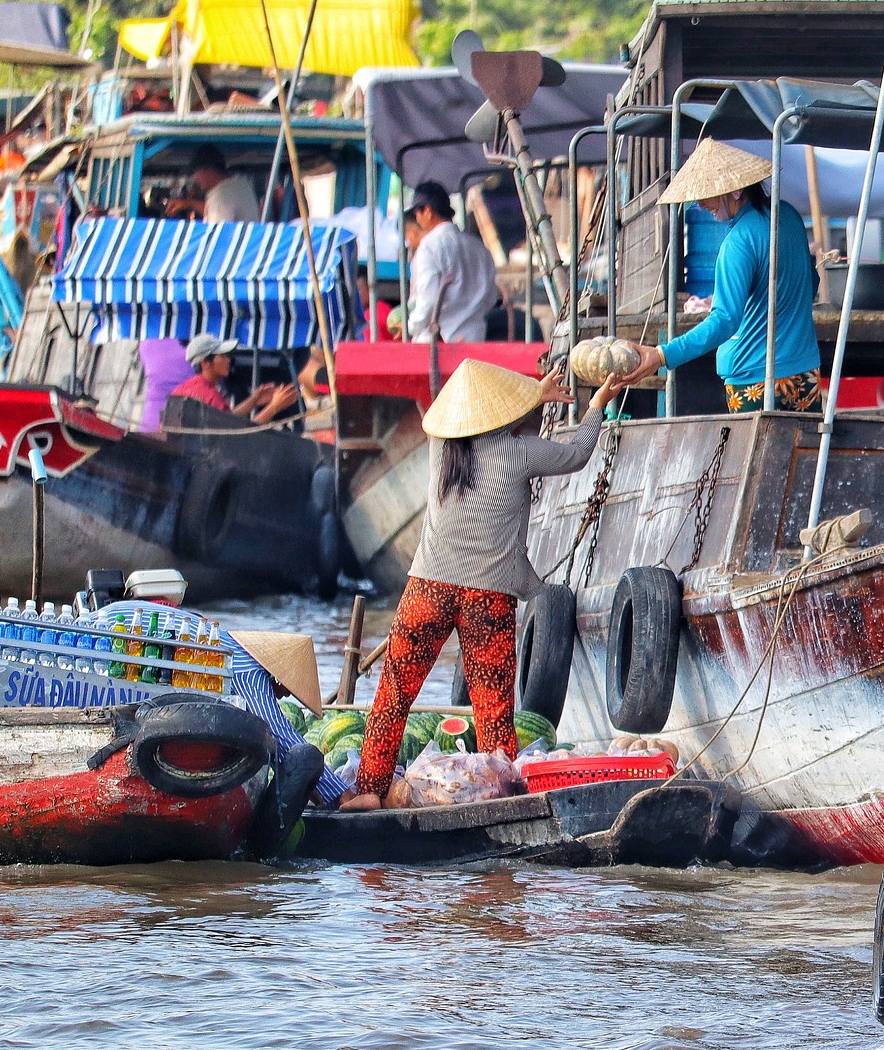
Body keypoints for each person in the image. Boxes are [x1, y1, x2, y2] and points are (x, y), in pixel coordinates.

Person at [342, 359, 623, 810]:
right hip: (487, 596)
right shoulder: (521, 453)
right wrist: (596, 406)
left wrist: (535, 394)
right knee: (492, 708)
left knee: (393, 692)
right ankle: (499, 797)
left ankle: (370, 791)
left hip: (427, 588)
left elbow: (481, 422)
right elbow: (577, 454)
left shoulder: (439, 446)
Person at [94, 570, 332, 831]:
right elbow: (285, 739)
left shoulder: (190, 628)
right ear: (276, 674)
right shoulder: (246, 667)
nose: (285, 695)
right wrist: (339, 795)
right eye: (288, 688)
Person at [621, 140, 821, 413]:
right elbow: (811, 284)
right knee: (803, 455)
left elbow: (725, 321)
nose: (701, 204)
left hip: (756, 383)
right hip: (805, 376)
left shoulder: (737, 243)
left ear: (736, 190)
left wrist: (662, 355)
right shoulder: (789, 216)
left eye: (707, 194)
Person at [404, 181, 498, 344]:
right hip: (475, 339)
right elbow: (491, 298)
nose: (417, 219)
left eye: (417, 213)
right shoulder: (478, 247)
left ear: (427, 211)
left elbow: (428, 299)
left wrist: (411, 326)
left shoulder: (429, 247)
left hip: (438, 347)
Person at [168, 334, 300, 423]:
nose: (228, 360)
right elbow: (237, 435)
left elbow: (229, 419)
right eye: (223, 356)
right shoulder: (209, 395)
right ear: (205, 363)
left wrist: (254, 399)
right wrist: (274, 407)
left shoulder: (184, 388)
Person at [169, 145, 261, 223]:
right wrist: (189, 203)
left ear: (208, 170)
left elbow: (216, 235)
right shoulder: (241, 184)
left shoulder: (221, 196)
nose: (195, 179)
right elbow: (219, 210)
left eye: (195, 173)